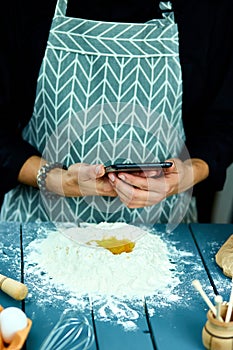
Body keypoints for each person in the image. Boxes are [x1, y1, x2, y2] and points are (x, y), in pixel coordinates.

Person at [0, 0, 232, 225]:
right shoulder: (24, 6)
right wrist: (53, 178)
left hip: (164, 228)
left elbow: (224, 125)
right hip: (37, 223)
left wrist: (187, 174)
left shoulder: (207, 8)